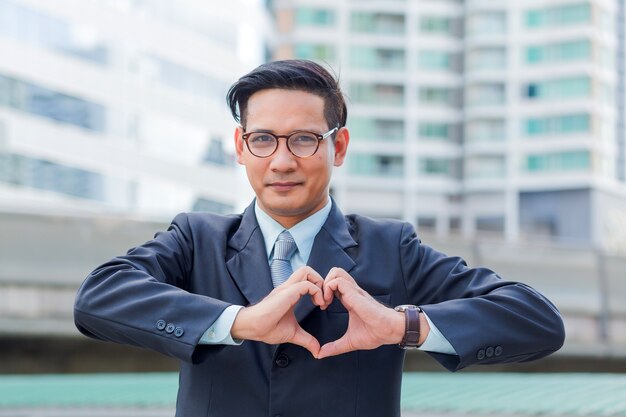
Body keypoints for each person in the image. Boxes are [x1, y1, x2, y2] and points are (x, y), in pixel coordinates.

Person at [74, 59, 565, 417]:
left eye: (304, 139)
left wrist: (401, 327)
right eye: (262, 139)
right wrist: (239, 322)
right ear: (240, 149)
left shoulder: (390, 247)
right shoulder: (196, 238)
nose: (282, 161)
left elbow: (536, 319)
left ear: (340, 146)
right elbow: (99, 297)